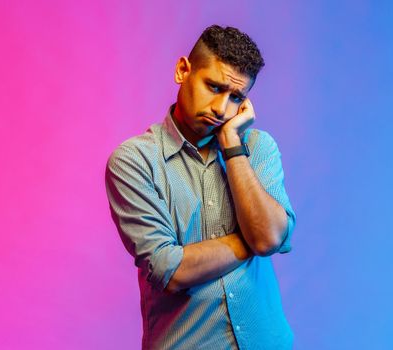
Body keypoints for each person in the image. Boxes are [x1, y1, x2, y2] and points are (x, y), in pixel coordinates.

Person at [105, 25, 296, 350]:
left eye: (236, 97)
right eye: (214, 87)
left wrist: (232, 146)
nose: (222, 109)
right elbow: (171, 269)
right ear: (183, 71)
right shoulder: (134, 161)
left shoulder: (258, 147)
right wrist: (254, 239)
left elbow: (270, 237)